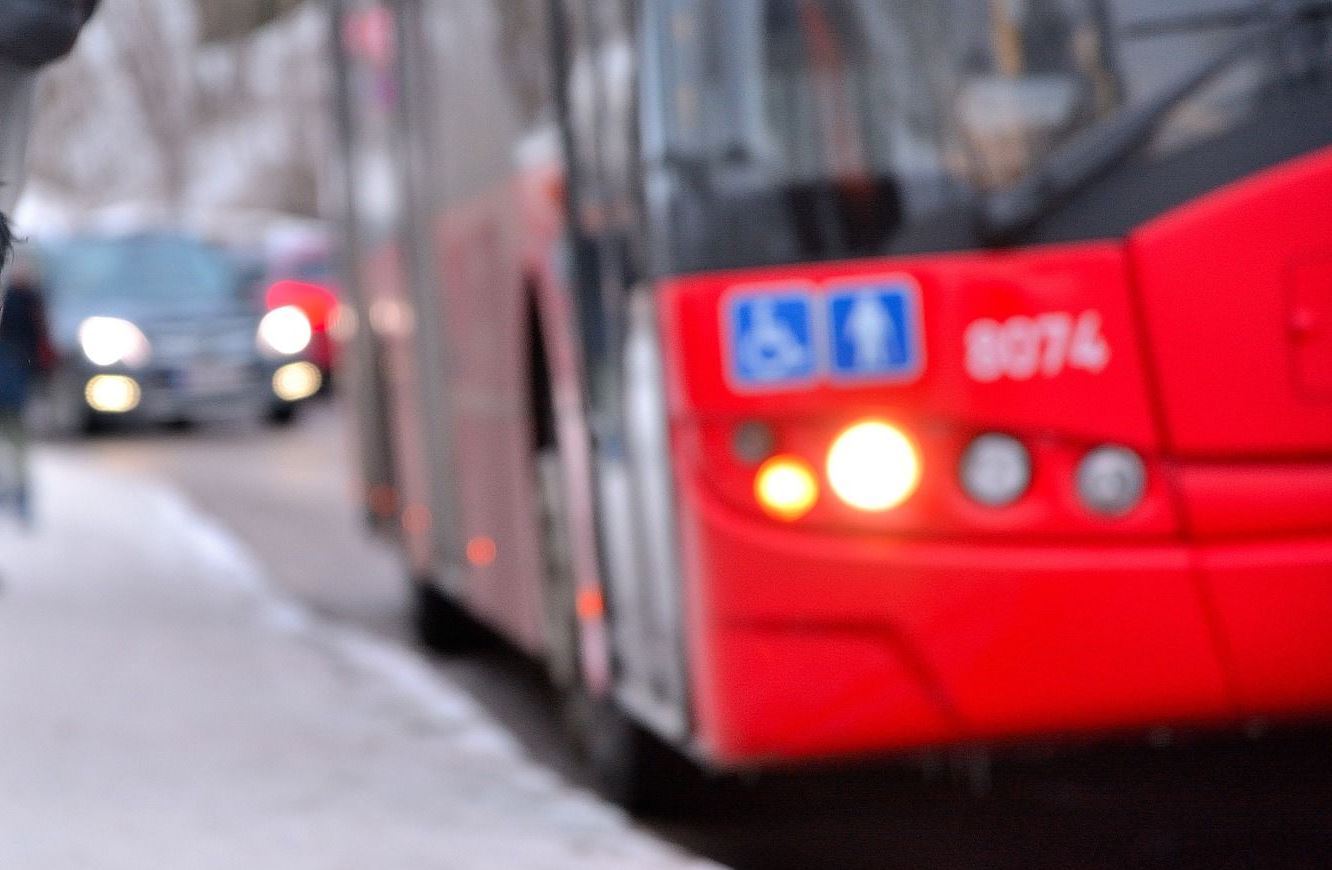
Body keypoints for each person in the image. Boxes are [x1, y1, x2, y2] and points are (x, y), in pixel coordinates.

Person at [0, 261, 51, 522]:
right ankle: (19, 496)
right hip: (17, 378)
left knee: (15, 442)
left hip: (13, 380)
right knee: (17, 443)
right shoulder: (28, 297)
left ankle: (18, 496)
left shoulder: (23, 297)